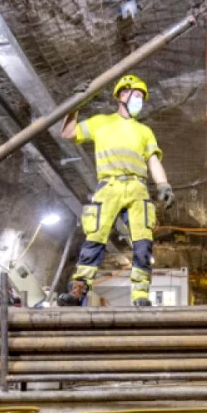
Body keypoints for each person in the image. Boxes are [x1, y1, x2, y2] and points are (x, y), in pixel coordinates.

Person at [58, 75, 173, 307]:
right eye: (137, 95)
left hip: (137, 187)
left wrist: (163, 184)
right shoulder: (102, 122)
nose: (140, 101)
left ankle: (141, 294)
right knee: (96, 237)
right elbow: (68, 133)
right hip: (109, 185)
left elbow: (152, 160)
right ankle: (79, 289)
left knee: (143, 241)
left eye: (142, 97)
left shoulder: (144, 131)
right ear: (123, 95)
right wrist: (75, 104)